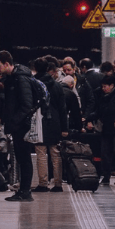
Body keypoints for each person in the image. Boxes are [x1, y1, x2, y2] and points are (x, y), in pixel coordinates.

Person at [0, 50, 36, 202]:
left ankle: (25, 192)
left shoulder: (21, 79)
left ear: (6, 64)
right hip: (18, 125)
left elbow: (26, 105)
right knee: (22, 159)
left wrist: (14, 122)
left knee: (24, 159)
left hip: (21, 126)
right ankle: (23, 190)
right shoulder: (13, 78)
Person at [32, 57, 68, 192]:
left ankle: (43, 183)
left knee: (41, 153)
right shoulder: (57, 85)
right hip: (55, 122)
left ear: (35, 69)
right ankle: (58, 183)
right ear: (48, 69)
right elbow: (62, 108)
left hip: (38, 122)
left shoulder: (33, 84)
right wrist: (64, 128)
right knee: (55, 153)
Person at [87, 74, 115, 186]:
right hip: (106, 128)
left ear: (112, 85)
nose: (103, 88)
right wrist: (88, 118)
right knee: (105, 153)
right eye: (102, 86)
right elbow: (99, 111)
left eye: (105, 86)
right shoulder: (103, 96)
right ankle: (106, 177)